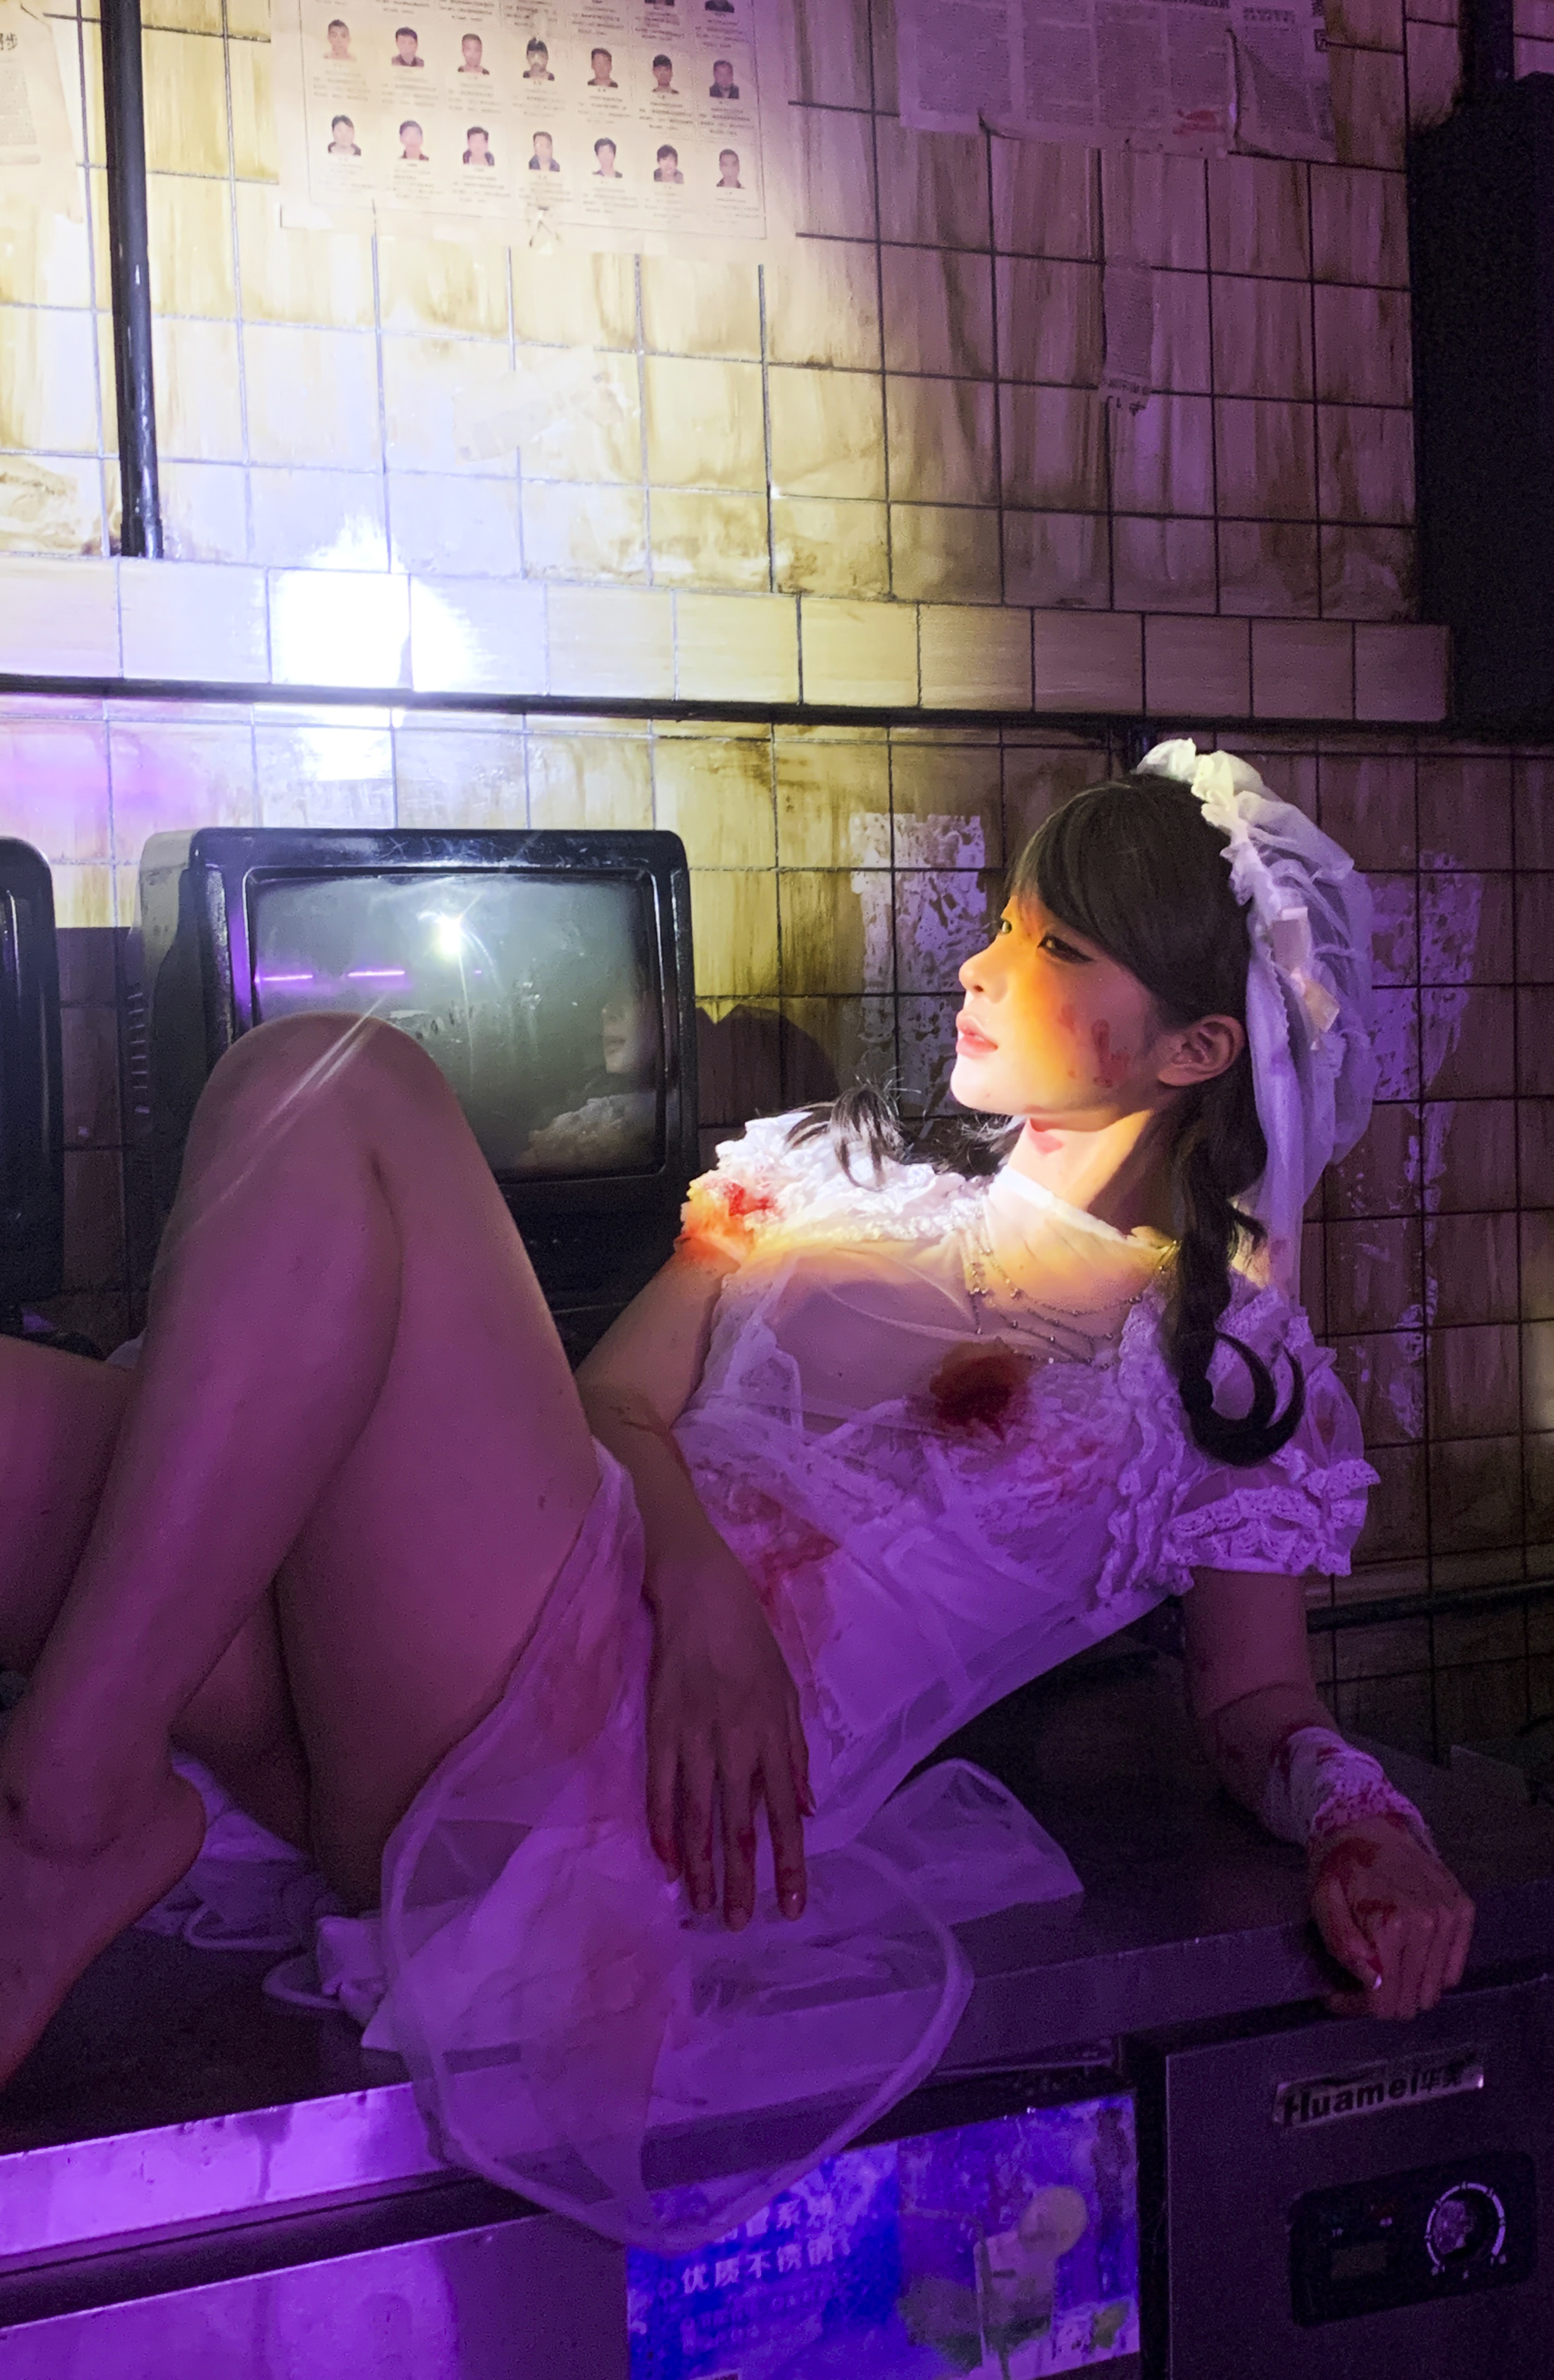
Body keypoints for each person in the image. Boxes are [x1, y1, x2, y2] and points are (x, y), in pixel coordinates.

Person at [0, 745, 1472, 2249]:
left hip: (595, 1795)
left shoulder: (1215, 1366)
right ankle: (88, 1794)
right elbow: (615, 1404)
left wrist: (1369, 1824)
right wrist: (697, 1582)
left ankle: (61, 1809)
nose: (979, 966)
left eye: (1056, 948)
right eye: (1003, 922)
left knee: (333, 1075)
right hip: (476, 1646)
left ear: (1195, 1047)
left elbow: (1254, 1707)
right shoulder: (830, 1178)